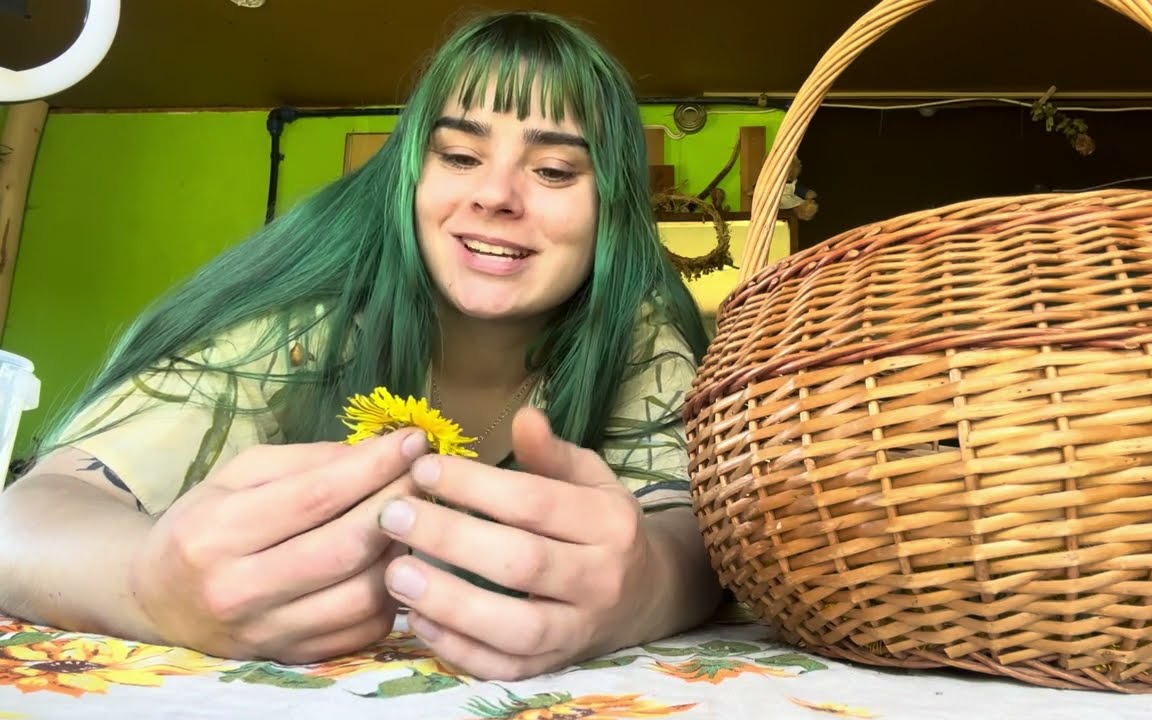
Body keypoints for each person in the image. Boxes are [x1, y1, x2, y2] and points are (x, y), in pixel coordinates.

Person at [0, 10, 723, 681]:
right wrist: (146, 586)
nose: (496, 195)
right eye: (460, 156)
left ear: (613, 208)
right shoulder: (303, 314)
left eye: (556, 169)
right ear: (410, 175)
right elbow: (27, 518)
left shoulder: (640, 326)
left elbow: (700, 529)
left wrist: (651, 585)